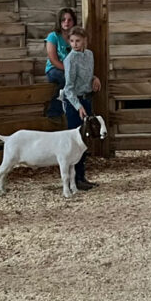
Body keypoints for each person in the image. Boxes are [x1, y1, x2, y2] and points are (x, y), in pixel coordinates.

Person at [61, 26, 101, 190]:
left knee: (85, 140)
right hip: (74, 102)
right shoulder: (70, 59)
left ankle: (82, 176)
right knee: (75, 142)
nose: (75, 44)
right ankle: (74, 179)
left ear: (84, 40)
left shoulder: (89, 55)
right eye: (72, 41)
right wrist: (77, 106)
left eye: (78, 41)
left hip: (86, 99)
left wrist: (95, 78)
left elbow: (86, 74)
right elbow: (68, 87)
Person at [44, 7, 78, 118]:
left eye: (69, 20)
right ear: (59, 21)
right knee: (65, 79)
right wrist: (69, 71)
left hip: (71, 69)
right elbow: (53, 59)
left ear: (74, 21)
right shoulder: (53, 36)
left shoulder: (76, 37)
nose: (66, 22)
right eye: (63, 20)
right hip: (54, 69)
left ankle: (76, 112)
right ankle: (53, 113)